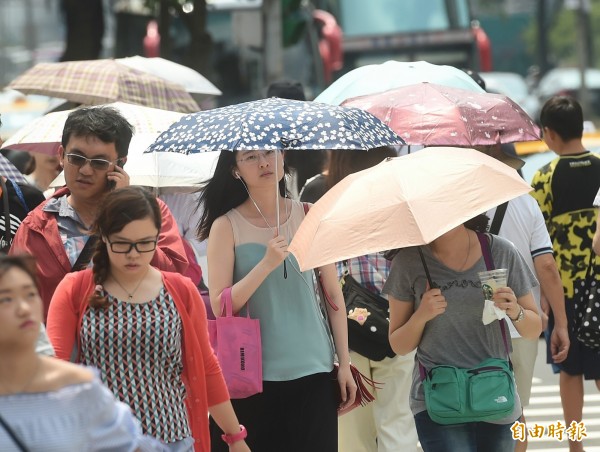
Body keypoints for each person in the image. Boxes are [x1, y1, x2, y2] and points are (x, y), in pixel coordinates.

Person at [46, 186, 249, 452]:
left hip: (173, 437)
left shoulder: (180, 290)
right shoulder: (76, 289)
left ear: (157, 238)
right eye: (122, 243)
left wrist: (235, 437)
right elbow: (54, 367)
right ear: (104, 236)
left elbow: (207, 366)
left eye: (144, 243)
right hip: (101, 441)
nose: (133, 254)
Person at [198, 149, 356, 451]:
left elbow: (333, 296)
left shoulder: (309, 214)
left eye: (269, 153)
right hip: (252, 374)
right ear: (235, 171)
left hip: (314, 367)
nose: (263, 162)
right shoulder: (226, 226)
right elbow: (221, 305)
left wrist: (345, 363)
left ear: (283, 158)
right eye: (250, 157)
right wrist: (266, 264)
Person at [9, 106, 188, 320]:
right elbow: (15, 298)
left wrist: (126, 213)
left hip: (135, 344)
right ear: (61, 155)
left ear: (120, 165)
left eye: (99, 162)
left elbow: (174, 276)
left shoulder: (152, 212)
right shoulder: (35, 226)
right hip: (62, 350)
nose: (85, 170)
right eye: (76, 158)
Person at [385, 215, 541, 452]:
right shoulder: (408, 261)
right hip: (439, 397)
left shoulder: (500, 251)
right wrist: (421, 315)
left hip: (494, 390)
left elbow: (534, 327)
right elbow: (398, 344)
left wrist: (515, 310)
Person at [0, 254, 161, 451]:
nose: (24, 308)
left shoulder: (75, 388)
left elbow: (128, 445)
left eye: (30, 294)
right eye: (6, 299)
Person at [322, 148, 419, 452]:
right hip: (398, 327)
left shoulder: (329, 208)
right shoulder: (400, 209)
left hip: (348, 332)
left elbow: (324, 279)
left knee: (353, 434)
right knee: (399, 422)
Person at [478, 144, 569, 452]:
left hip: (472, 324)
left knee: (472, 403)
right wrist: (560, 323)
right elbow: (546, 266)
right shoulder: (527, 205)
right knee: (515, 411)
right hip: (520, 323)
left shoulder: (465, 205)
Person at [531, 95, 600, 452]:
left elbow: (538, 246)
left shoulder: (544, 179)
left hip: (566, 292)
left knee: (569, 370)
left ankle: (576, 446)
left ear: (549, 133)